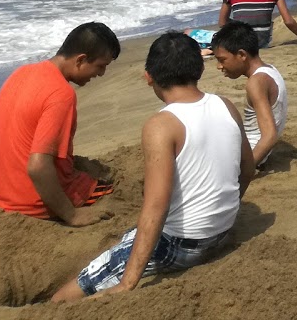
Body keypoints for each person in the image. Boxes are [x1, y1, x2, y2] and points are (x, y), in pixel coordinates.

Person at [53, 31, 255, 300]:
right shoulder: (225, 105)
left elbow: (155, 206)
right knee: (129, 237)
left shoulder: (161, 125)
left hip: (183, 243)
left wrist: (128, 282)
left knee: (66, 295)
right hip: (222, 230)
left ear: (149, 77)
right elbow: (247, 167)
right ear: (199, 70)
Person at [0, 22, 121, 224]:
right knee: (113, 189)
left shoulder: (20, 73)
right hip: (33, 203)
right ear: (81, 60)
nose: (101, 73)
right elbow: (38, 167)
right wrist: (72, 215)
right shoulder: (61, 94)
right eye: (101, 66)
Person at [209, 22, 288, 169]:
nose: (219, 66)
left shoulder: (256, 83)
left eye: (222, 59)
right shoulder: (270, 70)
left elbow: (269, 135)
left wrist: (246, 169)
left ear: (241, 55)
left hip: (249, 154)